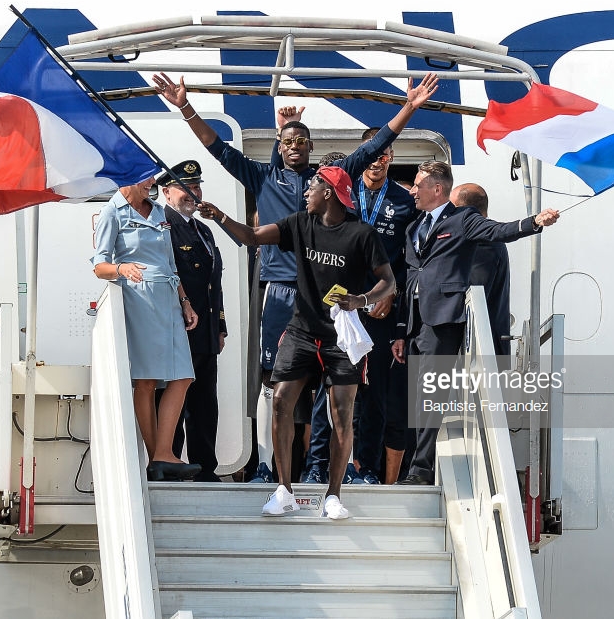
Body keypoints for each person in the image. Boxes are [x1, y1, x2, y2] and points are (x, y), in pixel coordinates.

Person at [153, 70, 438, 484]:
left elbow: (374, 146)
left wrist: (408, 107)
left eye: (301, 141)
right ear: (279, 144)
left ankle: (333, 468)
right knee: (273, 382)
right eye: (287, 141)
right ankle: (267, 466)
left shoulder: (327, 180)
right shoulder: (262, 176)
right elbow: (217, 148)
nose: (294, 147)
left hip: (328, 297)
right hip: (281, 293)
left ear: (310, 147)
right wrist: (185, 107)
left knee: (337, 381)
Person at [198, 166, 396, 520]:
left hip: (341, 336)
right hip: (302, 331)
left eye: (312, 187)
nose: (306, 193)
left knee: (342, 414)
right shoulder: (299, 223)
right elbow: (253, 236)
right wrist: (221, 217)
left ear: (329, 193)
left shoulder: (361, 233)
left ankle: (333, 496)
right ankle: (283, 490)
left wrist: (361, 300)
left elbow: (388, 281)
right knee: (280, 401)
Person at [392, 161, 560, 486]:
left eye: (417, 185)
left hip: (446, 320)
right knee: (416, 396)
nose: (412, 191)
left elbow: (500, 231)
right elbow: (411, 276)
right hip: (415, 323)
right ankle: (414, 468)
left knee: (431, 394)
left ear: (437, 189)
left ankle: (421, 471)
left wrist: (535, 222)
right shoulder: (414, 227)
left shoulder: (464, 221)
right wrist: (401, 329)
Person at [302, 128, 418, 485]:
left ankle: (366, 468)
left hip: (379, 310)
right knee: (330, 388)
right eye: (373, 155)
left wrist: (392, 294)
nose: (378, 162)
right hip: (339, 307)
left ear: (392, 159)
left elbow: (409, 261)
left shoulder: (404, 201)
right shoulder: (339, 193)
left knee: (374, 393)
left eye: (385, 155)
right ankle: (316, 466)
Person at [91, 174, 201, 482]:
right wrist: (121, 267)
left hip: (169, 298)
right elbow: (99, 266)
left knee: (183, 376)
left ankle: (162, 454)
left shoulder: (158, 211)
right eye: (144, 177)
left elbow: (170, 263)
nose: (150, 182)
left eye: (151, 176)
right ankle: (159, 458)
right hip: (139, 298)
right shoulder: (112, 212)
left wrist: (185, 301)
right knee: (146, 380)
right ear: (125, 178)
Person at [158, 160, 227, 482]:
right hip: (177, 330)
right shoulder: (162, 226)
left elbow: (215, 283)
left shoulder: (204, 230)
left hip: (206, 332)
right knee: (173, 399)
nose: (192, 193)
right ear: (166, 192)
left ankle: (205, 467)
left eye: (196, 186)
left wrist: (220, 326)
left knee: (204, 404)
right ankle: (169, 462)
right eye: (184, 187)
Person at [449, 183, 512, 357]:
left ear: (465, 212)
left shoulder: (482, 241)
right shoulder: (485, 237)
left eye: (451, 208)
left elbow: (475, 292)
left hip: (482, 349)